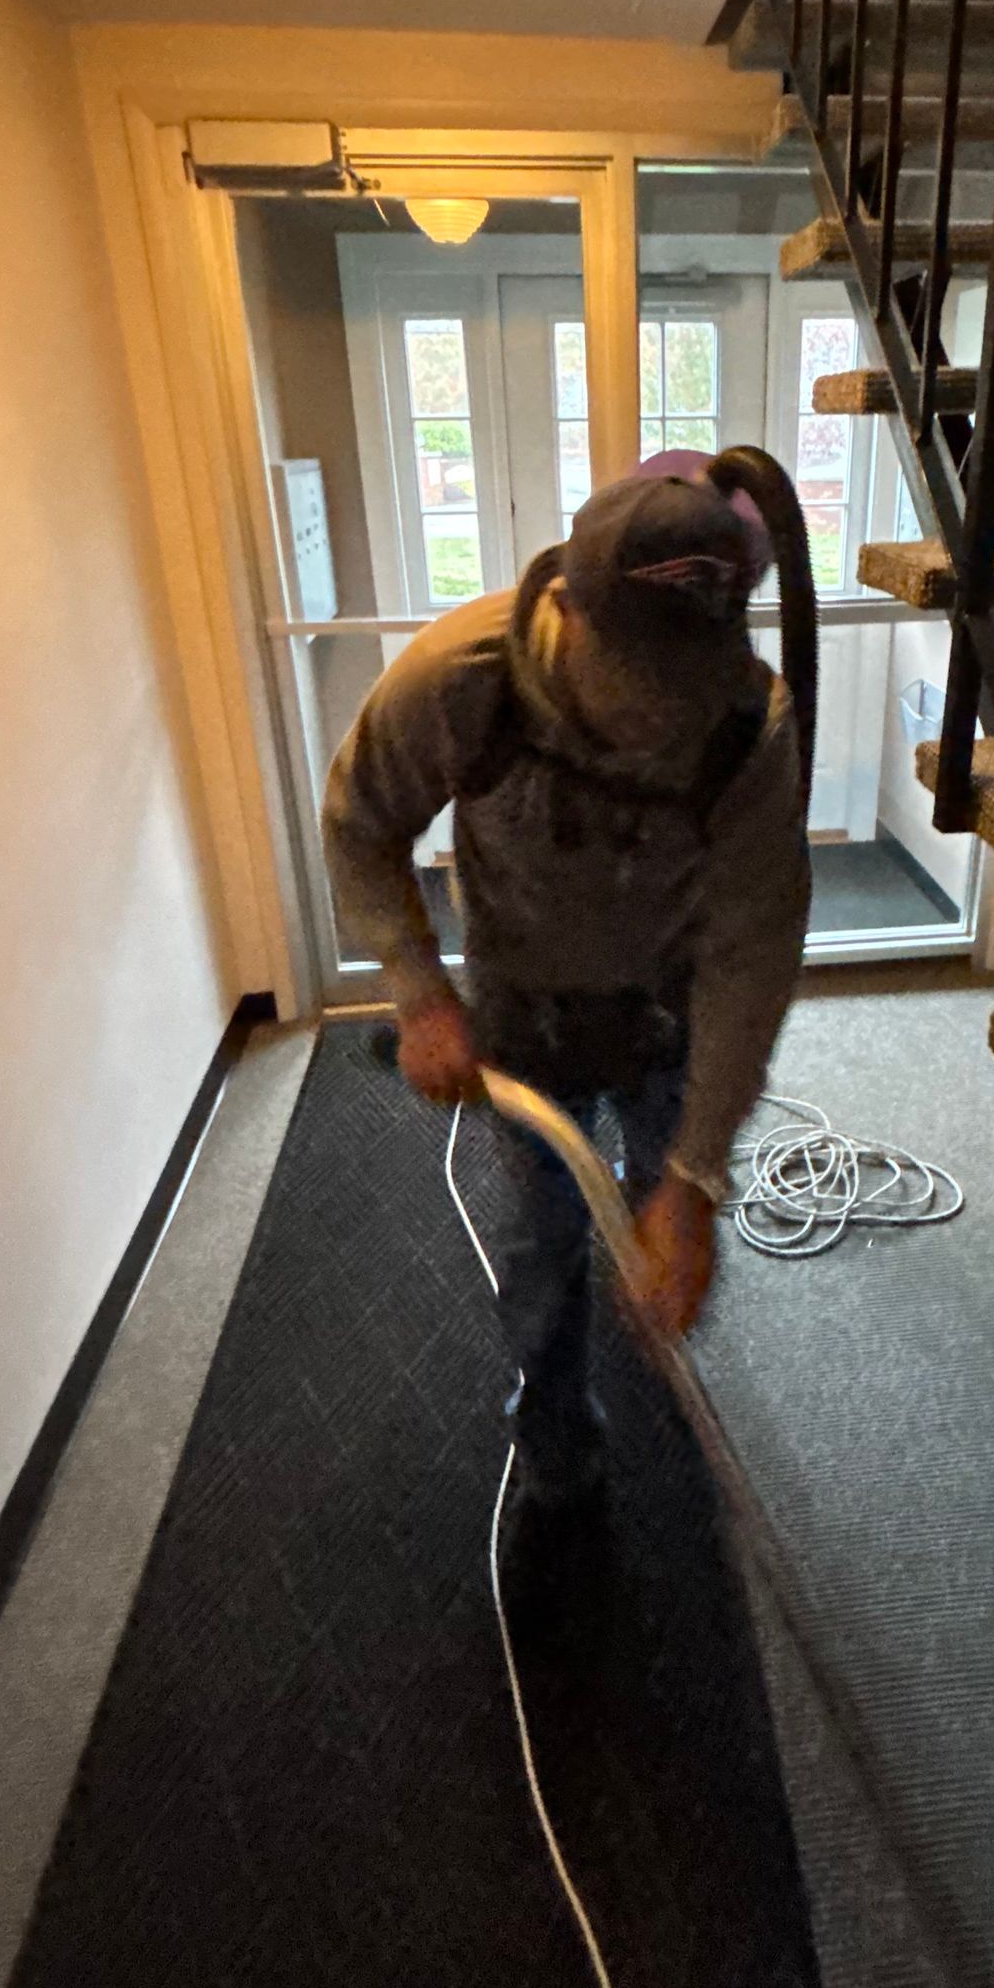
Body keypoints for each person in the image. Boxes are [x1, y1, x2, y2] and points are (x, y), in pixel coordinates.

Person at [323, 456, 810, 1593]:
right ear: (568, 609)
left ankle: (666, 1393)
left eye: (683, 675)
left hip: (667, 1003)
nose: (662, 713)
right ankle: (555, 1442)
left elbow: (752, 949)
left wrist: (696, 1176)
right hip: (522, 1011)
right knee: (546, 1246)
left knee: (664, 1229)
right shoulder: (461, 680)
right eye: (638, 674)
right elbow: (359, 822)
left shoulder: (746, 720)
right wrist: (418, 986)